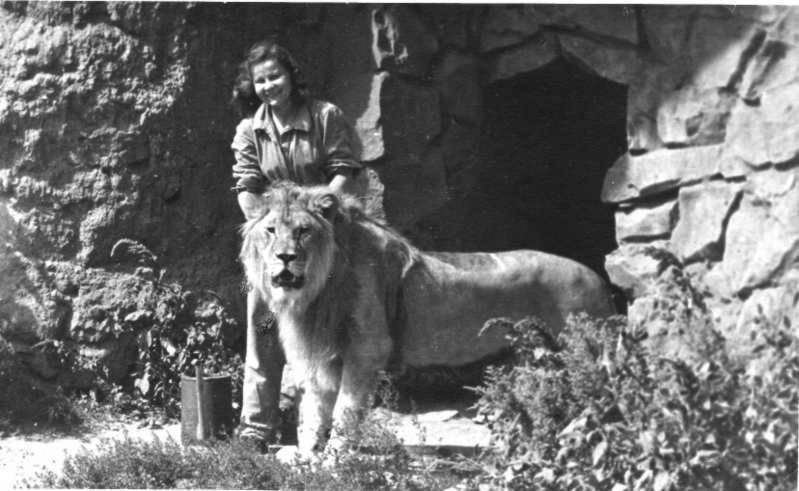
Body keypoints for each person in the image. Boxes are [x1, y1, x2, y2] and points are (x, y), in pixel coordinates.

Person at [230, 39, 364, 446]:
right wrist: (263, 227)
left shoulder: (325, 116)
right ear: (252, 86)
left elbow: (344, 171)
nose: (269, 86)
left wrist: (316, 209)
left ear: (291, 76)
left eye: (276, 76)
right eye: (260, 80)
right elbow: (246, 186)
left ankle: (321, 421)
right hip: (274, 244)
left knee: (329, 324)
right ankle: (257, 424)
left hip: (321, 237)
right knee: (263, 321)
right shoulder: (249, 130)